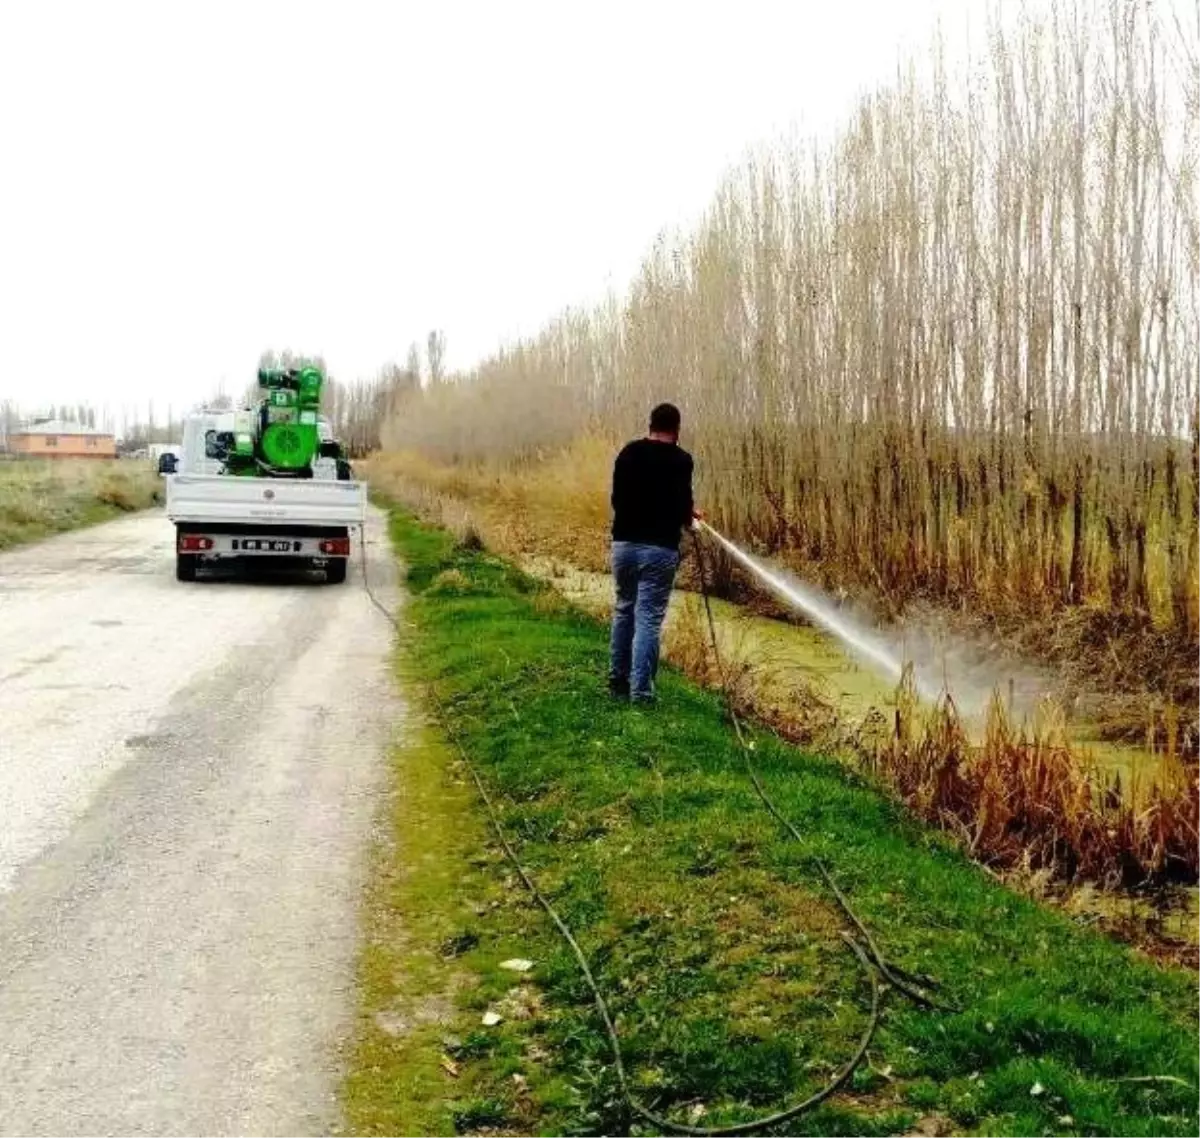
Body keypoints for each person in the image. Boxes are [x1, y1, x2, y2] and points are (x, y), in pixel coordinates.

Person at [608, 402, 700, 704]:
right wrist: (691, 517)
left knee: (624, 608)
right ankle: (642, 693)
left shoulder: (628, 453)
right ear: (676, 430)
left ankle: (617, 679)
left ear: (650, 425)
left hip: (623, 545)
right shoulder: (682, 460)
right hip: (659, 550)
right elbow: (682, 507)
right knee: (647, 619)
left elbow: (616, 500)